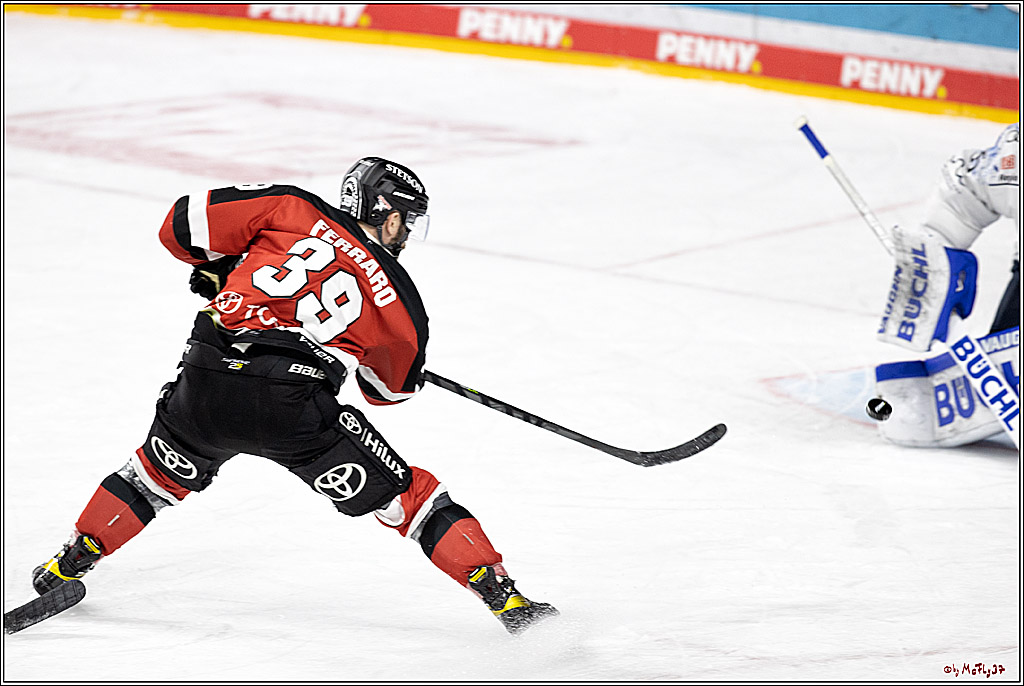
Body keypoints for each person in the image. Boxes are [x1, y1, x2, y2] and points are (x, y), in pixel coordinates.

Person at [29, 157, 558, 634]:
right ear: (391, 217)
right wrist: (397, 363)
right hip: (293, 407)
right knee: (409, 499)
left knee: (150, 477)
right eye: (408, 222)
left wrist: (220, 269)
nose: (405, 234)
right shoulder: (400, 297)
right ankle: (507, 601)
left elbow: (179, 227)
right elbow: (387, 393)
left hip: (207, 378)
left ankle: (66, 565)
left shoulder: (291, 206)